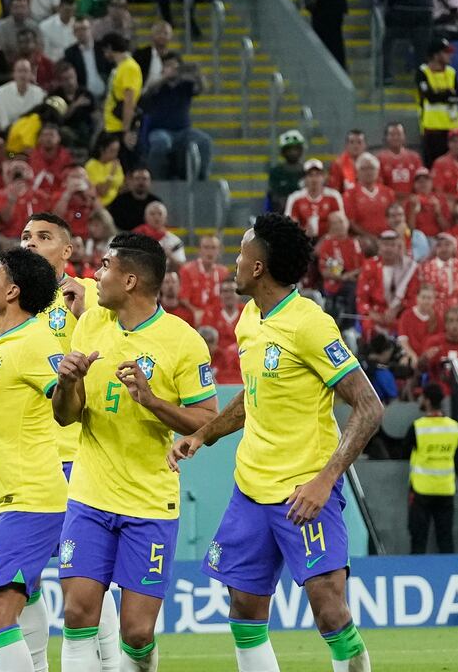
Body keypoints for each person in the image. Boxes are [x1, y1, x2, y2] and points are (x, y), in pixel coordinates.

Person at [170, 212, 383, 672]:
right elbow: (253, 395)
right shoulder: (249, 318)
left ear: (259, 267)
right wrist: (202, 434)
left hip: (304, 489)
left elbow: (369, 406)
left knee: (329, 610)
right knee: (244, 608)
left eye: (242, 252)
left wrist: (325, 481)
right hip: (251, 488)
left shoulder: (310, 324)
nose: (234, 260)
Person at [0, 212, 123, 668]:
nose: (32, 242)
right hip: (22, 477)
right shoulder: (3, 319)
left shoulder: (89, 294)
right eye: (26, 236)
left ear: (68, 250)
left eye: (44, 236)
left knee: (82, 582)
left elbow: (123, 352)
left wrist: (87, 320)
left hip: (72, 461)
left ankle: (112, 662)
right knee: (23, 593)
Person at [52, 231, 218, 671]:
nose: (96, 274)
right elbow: (67, 416)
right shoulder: (89, 325)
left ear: (129, 281)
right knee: (77, 614)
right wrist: (67, 383)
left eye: (104, 266)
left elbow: (209, 421)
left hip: (149, 503)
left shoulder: (182, 340)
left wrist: (153, 402)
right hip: (89, 495)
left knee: (137, 633)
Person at [405, 383, 458, 554]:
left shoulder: (418, 427)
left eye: (422, 397)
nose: (420, 400)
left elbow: (404, 450)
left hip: (421, 490)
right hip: (446, 490)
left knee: (418, 539)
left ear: (427, 401)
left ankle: (416, 573)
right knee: (445, 539)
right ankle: (450, 573)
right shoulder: (454, 427)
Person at [140, 53, 208, 181]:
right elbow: (147, 92)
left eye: (173, 66)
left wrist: (198, 75)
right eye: (167, 66)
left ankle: (201, 179)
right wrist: (165, 78)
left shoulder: (185, 85)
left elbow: (201, 88)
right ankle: (156, 179)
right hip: (160, 130)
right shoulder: (157, 84)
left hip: (183, 130)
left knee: (204, 141)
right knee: (161, 143)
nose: (171, 69)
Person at [378, 0, 433, 82]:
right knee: (422, 48)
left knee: (388, 39)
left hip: (402, 7)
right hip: (426, 8)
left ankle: (387, 74)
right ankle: (422, 79)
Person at [416, 38, 458, 166]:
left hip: (453, 128)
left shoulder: (451, 72)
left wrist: (441, 95)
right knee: (433, 165)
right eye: (446, 52)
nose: (450, 55)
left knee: (454, 165)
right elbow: (430, 97)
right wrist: (448, 93)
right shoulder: (423, 72)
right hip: (432, 128)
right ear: (436, 55)